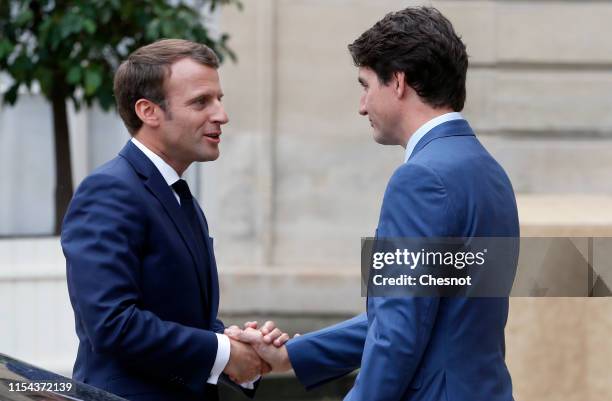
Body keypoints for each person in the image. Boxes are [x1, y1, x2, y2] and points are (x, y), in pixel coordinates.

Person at [228, 6, 520, 401]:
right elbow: (415, 312)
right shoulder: (488, 171)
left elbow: (398, 333)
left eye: (365, 85)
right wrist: (288, 357)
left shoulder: (419, 180)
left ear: (397, 82)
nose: (362, 105)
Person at [61, 39, 286, 401]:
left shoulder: (181, 197)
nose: (221, 115)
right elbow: (111, 324)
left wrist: (238, 343)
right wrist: (226, 352)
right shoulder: (108, 190)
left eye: (219, 99)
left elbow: (186, 320)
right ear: (149, 111)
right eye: (201, 102)